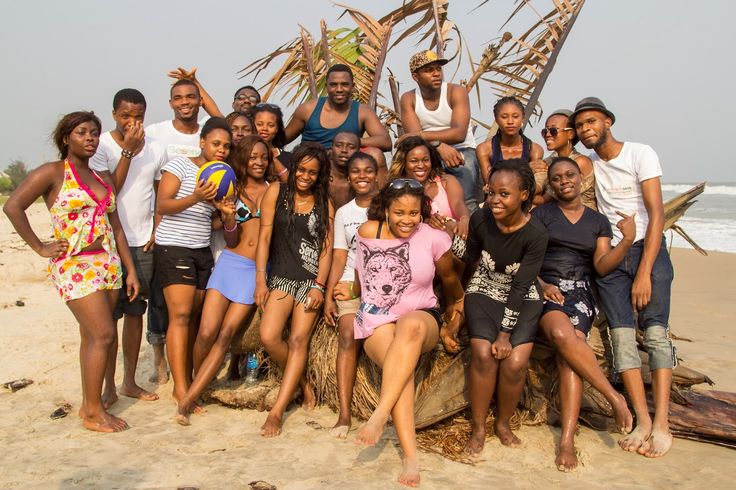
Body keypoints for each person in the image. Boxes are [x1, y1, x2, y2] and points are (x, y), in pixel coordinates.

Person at [3, 111, 139, 432]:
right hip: (75, 265)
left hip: (107, 264)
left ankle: (87, 405)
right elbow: (13, 206)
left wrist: (130, 270)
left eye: (94, 132)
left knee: (91, 335)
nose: (90, 138)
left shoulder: (102, 177)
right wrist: (40, 247)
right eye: (82, 132)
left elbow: (115, 225)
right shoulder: (52, 173)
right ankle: (94, 412)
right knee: (103, 335)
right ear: (66, 138)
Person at [573, 96, 675, 458]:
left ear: (607, 121)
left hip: (647, 249)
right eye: (581, 125)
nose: (586, 129)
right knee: (621, 338)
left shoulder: (640, 153)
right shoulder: (590, 165)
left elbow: (657, 213)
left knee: (657, 334)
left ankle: (662, 423)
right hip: (612, 258)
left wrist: (645, 272)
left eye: (591, 122)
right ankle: (643, 420)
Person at [352, 178, 464, 487]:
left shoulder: (434, 238)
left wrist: (459, 308)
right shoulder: (367, 232)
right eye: (399, 212)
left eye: (414, 213)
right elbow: (361, 274)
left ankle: (380, 414)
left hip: (420, 317)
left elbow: (450, 279)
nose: (407, 220)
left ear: (422, 211)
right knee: (399, 366)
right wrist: (349, 295)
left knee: (410, 328)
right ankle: (411, 457)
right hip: (378, 319)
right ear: (385, 210)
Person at [532, 157, 635, 471]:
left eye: (570, 175)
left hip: (580, 292)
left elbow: (602, 265)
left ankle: (566, 440)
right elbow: (527, 258)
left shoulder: (598, 221)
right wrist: (542, 283)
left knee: (569, 353)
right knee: (564, 334)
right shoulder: (541, 214)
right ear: (551, 184)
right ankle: (614, 398)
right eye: (557, 177)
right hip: (546, 287)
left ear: (581, 179)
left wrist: (627, 238)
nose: (564, 181)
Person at [175, 135, 271, 425]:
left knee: (227, 334)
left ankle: (188, 400)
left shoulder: (274, 190)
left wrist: (262, 278)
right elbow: (230, 237)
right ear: (243, 158)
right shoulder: (232, 187)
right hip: (229, 264)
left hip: (253, 272)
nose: (258, 161)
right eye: (253, 156)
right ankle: (196, 383)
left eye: (263, 157)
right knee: (206, 332)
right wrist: (229, 219)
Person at [455, 159, 548, 456]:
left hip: (522, 295)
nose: (495, 200)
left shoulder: (536, 235)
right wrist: (449, 236)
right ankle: (479, 426)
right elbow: (470, 254)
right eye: (491, 192)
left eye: (504, 194)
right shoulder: (481, 217)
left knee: (515, 363)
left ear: (524, 195)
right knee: (483, 355)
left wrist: (505, 334)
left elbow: (522, 286)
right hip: (484, 287)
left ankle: (503, 423)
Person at [90, 88, 166, 406]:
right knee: (108, 318)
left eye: (138, 116)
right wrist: (128, 152)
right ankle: (107, 385)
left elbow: (161, 191)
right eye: (125, 116)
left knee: (136, 311)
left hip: (143, 242)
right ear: (114, 115)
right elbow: (108, 194)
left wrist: (157, 228)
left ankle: (129, 381)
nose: (132, 122)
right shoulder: (100, 146)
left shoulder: (157, 148)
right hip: (107, 243)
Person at [254, 142, 335, 437]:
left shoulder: (324, 202)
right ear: (294, 166)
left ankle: (277, 411)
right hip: (281, 276)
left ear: (319, 175)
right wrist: (261, 278)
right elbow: (264, 238)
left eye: (312, 172)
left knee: (299, 340)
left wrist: (319, 286)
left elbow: (326, 250)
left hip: (309, 279)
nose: (305, 176)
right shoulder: (276, 192)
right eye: (301, 169)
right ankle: (302, 382)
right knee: (269, 336)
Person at [154, 117, 233, 409]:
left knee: (195, 317)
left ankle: (186, 377)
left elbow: (209, 223)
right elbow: (163, 204)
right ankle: (180, 388)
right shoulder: (181, 164)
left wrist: (223, 213)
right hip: (174, 247)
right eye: (215, 143)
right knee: (182, 316)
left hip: (201, 250)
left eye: (226, 146)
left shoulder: (222, 175)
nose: (221, 149)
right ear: (202, 142)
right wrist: (196, 195)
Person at [145, 78, 209, 384]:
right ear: (170, 102)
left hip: (203, 242)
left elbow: (223, 121)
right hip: (167, 234)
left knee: (191, 314)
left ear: (199, 100)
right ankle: (168, 372)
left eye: (191, 96)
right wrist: (154, 227)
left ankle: (187, 375)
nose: (185, 102)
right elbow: (161, 197)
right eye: (178, 97)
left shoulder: (210, 136)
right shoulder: (156, 133)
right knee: (168, 309)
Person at [322, 151, 380, 438]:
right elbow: (339, 256)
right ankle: (344, 414)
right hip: (348, 281)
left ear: (376, 174)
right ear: (349, 176)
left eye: (367, 171)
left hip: (381, 284)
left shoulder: (387, 208)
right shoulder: (344, 213)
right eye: (355, 171)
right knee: (347, 334)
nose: (362, 176)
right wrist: (328, 296)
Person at [399, 50, 482, 211]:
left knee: (467, 200)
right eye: (429, 70)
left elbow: (459, 133)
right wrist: (437, 145)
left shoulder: (455, 91)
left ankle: (469, 231)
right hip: (428, 152)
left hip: (461, 149)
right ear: (415, 77)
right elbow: (413, 140)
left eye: (438, 69)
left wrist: (423, 136)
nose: (436, 73)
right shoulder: (409, 98)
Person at [284, 64, 391, 152]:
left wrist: (353, 141)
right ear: (327, 86)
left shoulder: (362, 112)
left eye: (344, 84)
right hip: (311, 168)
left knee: (375, 154)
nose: (339, 89)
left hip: (344, 166)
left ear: (352, 87)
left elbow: (385, 142)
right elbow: (281, 140)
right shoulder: (307, 109)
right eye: (333, 85)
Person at [390, 136, 470, 240]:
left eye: (425, 160)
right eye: (414, 161)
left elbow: (458, 202)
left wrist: (464, 218)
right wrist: (429, 222)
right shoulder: (399, 189)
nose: (421, 165)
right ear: (404, 163)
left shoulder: (446, 181)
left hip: (455, 237)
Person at [475, 97, 544, 201]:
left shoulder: (534, 149)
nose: (510, 121)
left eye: (515, 116)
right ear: (496, 119)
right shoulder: (485, 149)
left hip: (524, 203)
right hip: (495, 202)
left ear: (523, 118)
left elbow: (533, 186)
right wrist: (527, 168)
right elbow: (491, 183)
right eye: (504, 117)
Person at [541, 109, 596, 209]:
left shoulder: (580, 162)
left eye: (553, 131)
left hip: (583, 221)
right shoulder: (548, 161)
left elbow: (545, 200)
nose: (548, 135)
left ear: (570, 134)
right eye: (545, 131)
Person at [251, 103, 291, 181]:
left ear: (277, 129)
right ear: (251, 125)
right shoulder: (243, 153)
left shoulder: (289, 158)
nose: (264, 128)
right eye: (259, 124)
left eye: (271, 125)